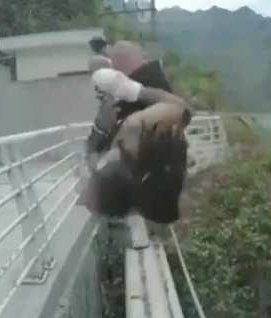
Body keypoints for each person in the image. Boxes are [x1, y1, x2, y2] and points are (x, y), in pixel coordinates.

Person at [79, 42, 191, 224]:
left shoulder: (130, 133)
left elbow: (180, 110)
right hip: (148, 198)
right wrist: (133, 91)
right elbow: (180, 108)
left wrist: (101, 128)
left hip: (138, 198)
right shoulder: (132, 130)